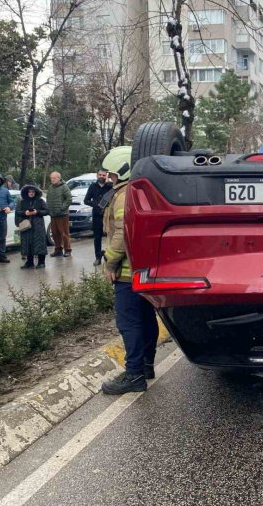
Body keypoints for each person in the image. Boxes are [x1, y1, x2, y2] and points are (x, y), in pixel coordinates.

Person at [100, 147, 158, 395]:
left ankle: (134, 374)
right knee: (146, 319)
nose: (109, 179)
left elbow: (122, 233)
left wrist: (110, 262)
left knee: (129, 323)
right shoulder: (140, 190)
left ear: (123, 169)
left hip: (126, 272)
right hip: (143, 270)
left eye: (112, 175)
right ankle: (145, 366)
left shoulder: (124, 195)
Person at [84, 169, 113, 267]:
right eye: (100, 175)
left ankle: (110, 257)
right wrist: (95, 204)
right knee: (97, 237)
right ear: (97, 175)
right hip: (97, 215)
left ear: (106, 176)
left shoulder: (110, 187)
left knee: (111, 236)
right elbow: (86, 200)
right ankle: (98, 257)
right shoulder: (93, 186)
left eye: (103, 175)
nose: (101, 176)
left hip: (109, 215)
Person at [16, 185, 50, 269]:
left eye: (33, 192)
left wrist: (37, 212)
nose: (31, 193)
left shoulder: (40, 201)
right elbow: (18, 212)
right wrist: (25, 213)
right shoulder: (22, 202)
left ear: (35, 192)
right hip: (26, 226)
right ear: (27, 193)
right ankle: (29, 262)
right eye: (29, 192)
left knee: (40, 243)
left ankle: (41, 262)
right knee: (28, 243)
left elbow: (47, 211)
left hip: (38, 225)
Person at [46, 171, 73, 258]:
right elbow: (48, 199)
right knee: (55, 233)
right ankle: (58, 249)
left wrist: (62, 208)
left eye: (54, 178)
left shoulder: (64, 187)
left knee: (64, 233)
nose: (52, 180)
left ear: (59, 178)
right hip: (53, 214)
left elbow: (69, 198)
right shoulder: (50, 187)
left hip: (62, 214)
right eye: (51, 178)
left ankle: (67, 250)